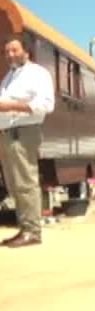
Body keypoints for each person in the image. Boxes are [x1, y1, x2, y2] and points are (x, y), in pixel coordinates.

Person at [0, 36, 55, 248]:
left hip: (24, 132)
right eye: (7, 52)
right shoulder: (9, 77)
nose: (10, 55)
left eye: (14, 50)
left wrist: (11, 106)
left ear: (27, 51)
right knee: (14, 184)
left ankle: (32, 232)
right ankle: (24, 229)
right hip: (7, 134)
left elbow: (46, 104)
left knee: (25, 182)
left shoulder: (37, 74)